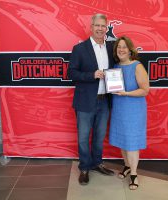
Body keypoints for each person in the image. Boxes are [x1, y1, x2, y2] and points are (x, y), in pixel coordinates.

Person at [68, 13, 115, 185]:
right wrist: (92, 75)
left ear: (106, 28)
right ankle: (84, 167)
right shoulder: (79, 49)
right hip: (85, 101)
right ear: (91, 26)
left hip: (104, 101)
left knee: (99, 135)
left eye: (103, 26)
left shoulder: (111, 48)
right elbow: (71, 73)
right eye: (97, 25)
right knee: (83, 137)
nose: (100, 29)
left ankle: (96, 163)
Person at [109, 36, 149, 190]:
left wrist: (126, 93)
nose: (121, 49)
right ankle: (126, 166)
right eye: (119, 47)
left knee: (132, 143)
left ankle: (133, 174)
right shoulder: (115, 67)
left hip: (134, 110)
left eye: (124, 47)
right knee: (123, 139)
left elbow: (145, 90)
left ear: (130, 49)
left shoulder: (137, 66)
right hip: (119, 108)